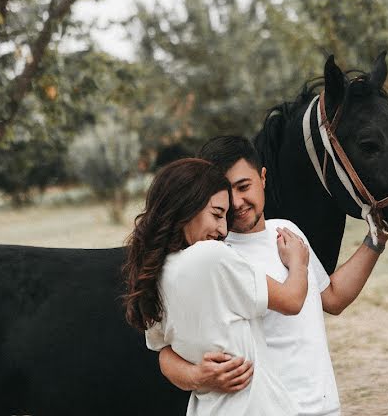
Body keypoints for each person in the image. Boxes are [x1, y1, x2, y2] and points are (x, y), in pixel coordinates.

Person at [157, 136, 388, 416]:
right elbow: (167, 349)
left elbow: (332, 298)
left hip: (323, 403)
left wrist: (376, 239)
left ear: (263, 177)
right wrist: (197, 376)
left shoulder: (286, 231)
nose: (237, 202)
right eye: (226, 194)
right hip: (268, 407)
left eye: (244, 186)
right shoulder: (213, 255)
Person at [122, 158, 312, 416]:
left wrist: (198, 376)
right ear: (186, 205)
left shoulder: (154, 273)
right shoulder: (211, 257)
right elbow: (292, 301)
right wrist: (298, 262)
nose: (223, 229)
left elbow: (163, 352)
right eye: (216, 214)